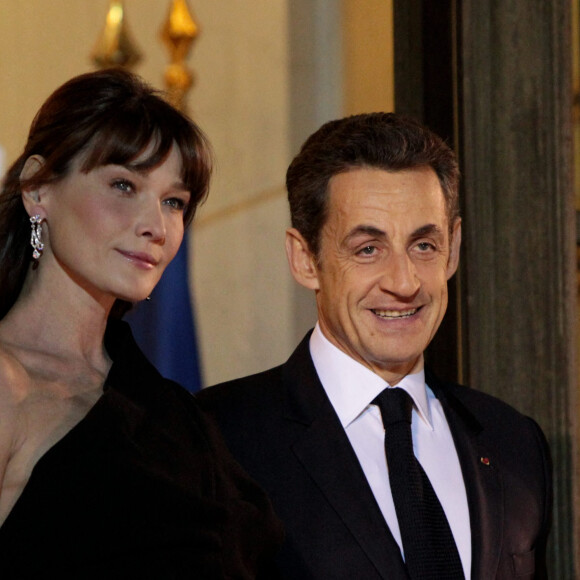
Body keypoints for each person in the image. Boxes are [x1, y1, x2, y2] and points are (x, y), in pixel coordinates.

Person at [197, 113, 552, 579]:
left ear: (455, 248)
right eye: (368, 249)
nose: (404, 283)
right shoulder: (217, 439)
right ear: (305, 259)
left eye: (424, 245)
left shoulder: (513, 443)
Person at [0, 68, 282, 578]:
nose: (155, 225)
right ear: (38, 188)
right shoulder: (5, 385)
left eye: (174, 201)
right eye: (124, 185)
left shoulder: (177, 415)